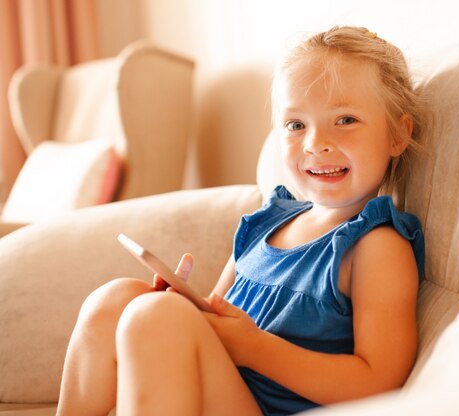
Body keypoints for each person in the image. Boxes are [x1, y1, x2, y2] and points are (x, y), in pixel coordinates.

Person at [57, 26, 429, 416]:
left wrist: (255, 348)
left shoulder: (376, 247)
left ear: (397, 135)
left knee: (156, 317)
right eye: (296, 125)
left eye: (346, 120)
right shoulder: (267, 225)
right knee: (115, 300)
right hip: (224, 392)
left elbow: (379, 382)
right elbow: (216, 320)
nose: (316, 143)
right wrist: (187, 308)